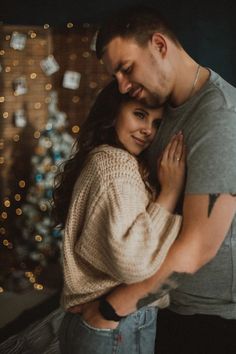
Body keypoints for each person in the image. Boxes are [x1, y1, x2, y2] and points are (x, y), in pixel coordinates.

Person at [75, 5, 236, 354]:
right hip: (161, 305)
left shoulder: (218, 119)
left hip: (210, 320)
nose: (122, 85)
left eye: (127, 68)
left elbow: (198, 248)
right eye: (115, 76)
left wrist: (109, 308)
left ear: (160, 46)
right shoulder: (161, 111)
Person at [53, 80, 186, 354]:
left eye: (157, 124)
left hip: (101, 324)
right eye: (139, 114)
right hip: (116, 324)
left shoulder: (103, 159)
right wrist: (170, 193)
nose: (147, 130)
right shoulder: (116, 165)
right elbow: (132, 263)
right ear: (114, 111)